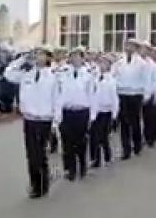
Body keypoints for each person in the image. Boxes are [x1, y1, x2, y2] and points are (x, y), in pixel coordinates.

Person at [5, 46, 57, 198]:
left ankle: (43, 184)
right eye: (35, 54)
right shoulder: (26, 73)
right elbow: (8, 74)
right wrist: (22, 59)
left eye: (41, 54)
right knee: (31, 153)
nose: (37, 57)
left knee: (40, 153)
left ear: (48, 57)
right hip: (29, 119)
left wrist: (55, 122)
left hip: (45, 119)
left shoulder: (54, 75)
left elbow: (57, 99)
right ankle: (35, 183)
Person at [56, 46, 96, 181]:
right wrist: (57, 114)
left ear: (82, 58)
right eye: (73, 56)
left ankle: (82, 165)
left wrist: (92, 115)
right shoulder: (62, 72)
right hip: (67, 111)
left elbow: (92, 95)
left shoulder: (89, 73)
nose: (75, 59)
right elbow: (58, 93)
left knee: (81, 141)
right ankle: (70, 169)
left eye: (78, 56)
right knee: (67, 143)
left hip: (82, 111)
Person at [112, 39, 147, 160]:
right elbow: (113, 76)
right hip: (122, 93)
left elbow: (145, 79)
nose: (128, 48)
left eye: (131, 46)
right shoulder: (119, 62)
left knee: (135, 121)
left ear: (136, 48)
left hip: (136, 93)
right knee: (124, 122)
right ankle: (125, 149)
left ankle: (137, 145)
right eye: (126, 45)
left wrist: (145, 94)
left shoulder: (141, 63)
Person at [89, 55, 119, 169]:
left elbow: (114, 98)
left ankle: (107, 156)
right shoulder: (95, 77)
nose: (101, 65)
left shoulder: (111, 80)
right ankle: (95, 159)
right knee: (94, 136)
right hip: (95, 111)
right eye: (100, 63)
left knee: (103, 136)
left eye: (104, 63)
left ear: (109, 66)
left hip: (106, 111)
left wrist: (114, 113)